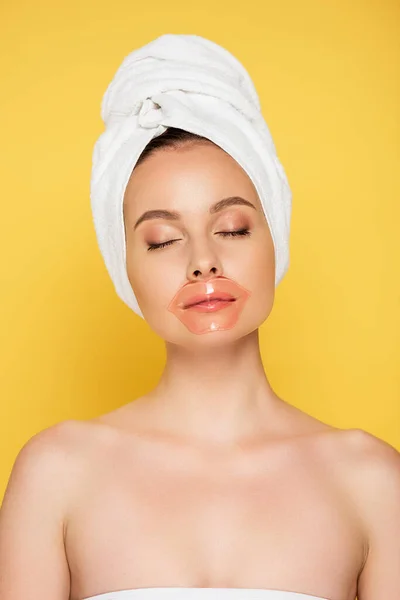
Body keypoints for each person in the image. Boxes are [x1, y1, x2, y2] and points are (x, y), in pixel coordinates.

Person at [1, 36, 399, 600]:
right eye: (162, 240)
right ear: (127, 272)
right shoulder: (56, 475)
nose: (203, 261)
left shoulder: (372, 482)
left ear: (274, 240)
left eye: (232, 228)